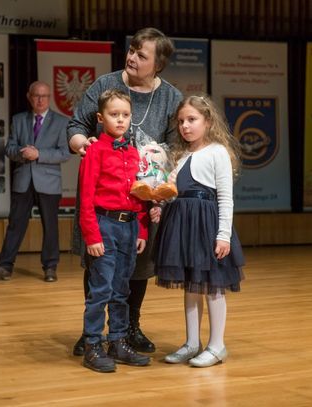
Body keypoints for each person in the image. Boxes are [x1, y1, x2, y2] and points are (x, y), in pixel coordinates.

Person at [67, 27, 183, 356]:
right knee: (98, 263)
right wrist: (83, 143)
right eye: (131, 50)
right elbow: (76, 125)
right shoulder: (105, 84)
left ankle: (128, 328)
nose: (132, 57)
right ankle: (91, 332)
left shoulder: (170, 97)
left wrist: (160, 190)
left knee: (137, 264)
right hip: (103, 196)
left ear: (157, 64)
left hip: (142, 199)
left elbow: (175, 149)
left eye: (141, 55)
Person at [152, 94, 245, 368]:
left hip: (206, 225)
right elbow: (174, 192)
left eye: (192, 119)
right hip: (183, 225)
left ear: (208, 121)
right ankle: (192, 343)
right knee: (191, 286)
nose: (185, 126)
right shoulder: (181, 156)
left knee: (213, 285)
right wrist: (161, 205)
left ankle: (217, 346)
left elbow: (225, 197)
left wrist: (223, 235)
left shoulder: (217, 152)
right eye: (181, 121)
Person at [79, 89, 151, 373]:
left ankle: (118, 341)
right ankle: (92, 344)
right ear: (101, 118)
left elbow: (140, 194)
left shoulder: (134, 153)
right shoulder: (94, 151)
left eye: (125, 115)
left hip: (129, 227)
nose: (120, 120)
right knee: (101, 289)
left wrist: (142, 229)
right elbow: (85, 198)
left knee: (122, 288)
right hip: (105, 225)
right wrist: (92, 235)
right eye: (114, 114)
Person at [0, 81, 70, 282]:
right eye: (36, 96)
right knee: (15, 225)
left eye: (44, 96)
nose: (40, 100)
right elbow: (9, 148)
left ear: (49, 97)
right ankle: (5, 266)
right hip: (23, 180)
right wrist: (23, 153)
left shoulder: (61, 122)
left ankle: (50, 267)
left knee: (50, 227)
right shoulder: (18, 119)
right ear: (29, 97)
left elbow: (64, 153)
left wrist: (38, 153)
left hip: (48, 183)